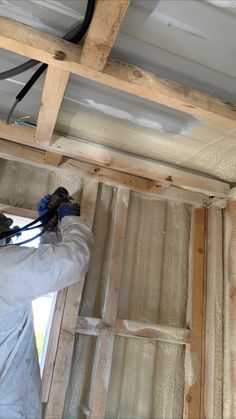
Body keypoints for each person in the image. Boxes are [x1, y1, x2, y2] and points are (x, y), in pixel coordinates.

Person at [0, 192, 94, 418]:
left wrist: (49, 232)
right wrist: (71, 219)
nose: (9, 225)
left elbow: (42, 278)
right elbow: (75, 259)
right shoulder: (4, 267)